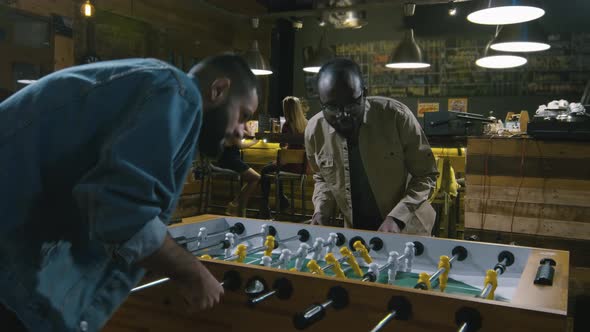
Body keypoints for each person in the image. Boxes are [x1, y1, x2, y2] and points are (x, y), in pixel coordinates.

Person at [0, 55, 258, 331]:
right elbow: (120, 210)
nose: (242, 133)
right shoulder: (178, 93)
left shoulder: (160, 89)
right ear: (218, 89)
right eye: (243, 116)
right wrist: (190, 271)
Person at [305, 58, 438, 235]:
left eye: (351, 104)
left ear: (364, 93)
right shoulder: (314, 131)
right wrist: (321, 211)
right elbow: (323, 178)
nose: (342, 114)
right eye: (332, 106)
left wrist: (397, 217)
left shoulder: (396, 117)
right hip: (356, 233)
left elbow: (426, 175)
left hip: (409, 229)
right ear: (320, 101)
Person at [258, 96, 308, 219]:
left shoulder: (286, 125)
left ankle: (265, 206)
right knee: (274, 167)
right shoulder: (307, 123)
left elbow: (282, 145)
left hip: (289, 166)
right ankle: (282, 200)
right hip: (302, 167)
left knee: (265, 170)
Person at [214, 123, 261, 217]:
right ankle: (237, 206)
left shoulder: (233, 122)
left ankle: (237, 206)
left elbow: (248, 133)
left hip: (229, 158)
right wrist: (255, 141)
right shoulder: (233, 125)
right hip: (229, 159)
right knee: (255, 177)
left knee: (255, 178)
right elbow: (240, 145)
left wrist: (247, 125)